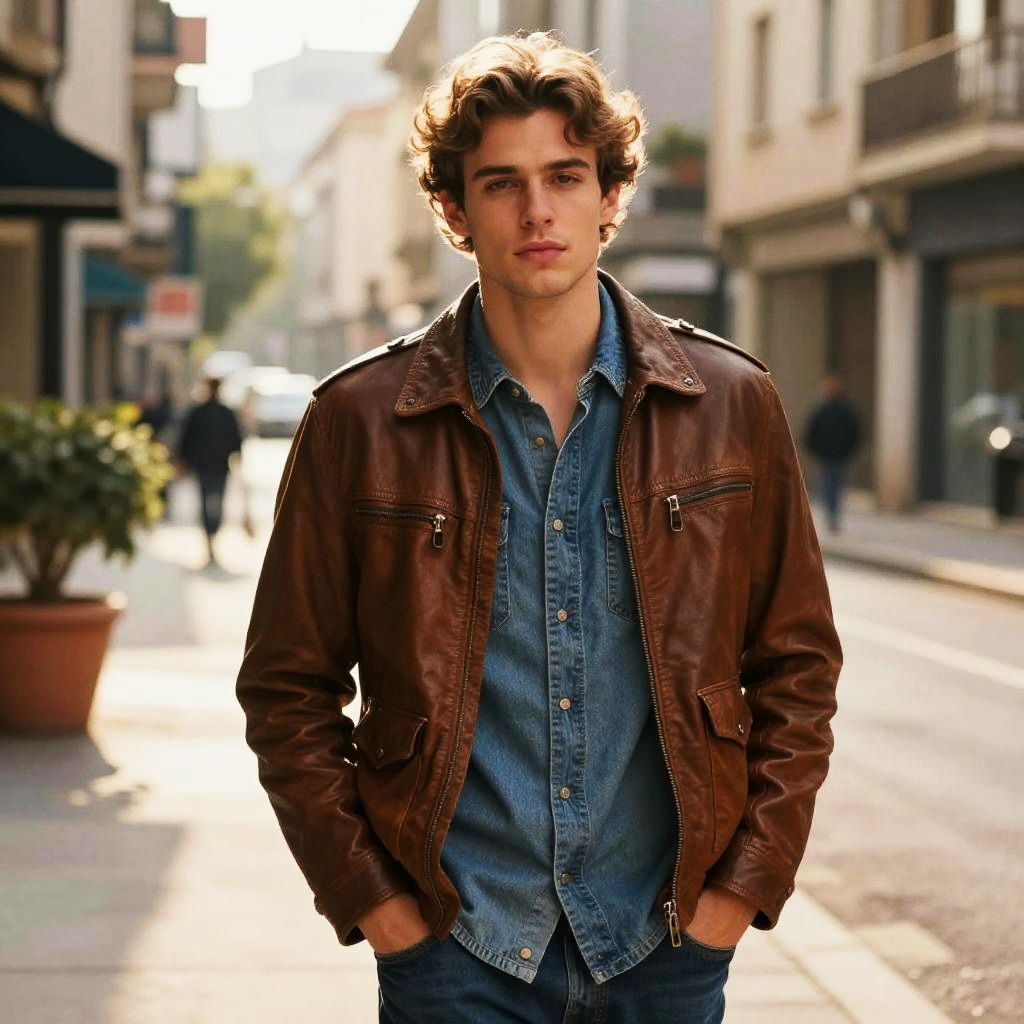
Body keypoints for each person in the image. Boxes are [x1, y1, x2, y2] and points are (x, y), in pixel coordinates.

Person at [237, 32, 841, 1024]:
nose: (537, 210)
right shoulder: (358, 419)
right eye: (500, 182)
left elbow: (797, 668)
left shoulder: (731, 403)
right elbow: (286, 687)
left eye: (566, 175)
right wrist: (379, 904)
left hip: (667, 943)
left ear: (611, 195)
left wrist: (739, 892)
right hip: (456, 949)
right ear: (452, 211)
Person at [176, 376, 243, 567]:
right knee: (215, 504)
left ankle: (210, 541)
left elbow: (186, 439)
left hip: (207, 466)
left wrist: (183, 460)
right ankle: (211, 541)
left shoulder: (201, 412)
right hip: (216, 466)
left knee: (208, 503)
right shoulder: (224, 412)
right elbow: (236, 441)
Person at [803, 375, 862, 533]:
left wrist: (848, 451)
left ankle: (833, 514)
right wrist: (814, 451)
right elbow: (811, 432)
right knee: (827, 486)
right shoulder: (821, 410)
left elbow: (854, 433)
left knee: (834, 485)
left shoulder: (845, 410)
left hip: (838, 456)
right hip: (825, 455)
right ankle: (831, 514)